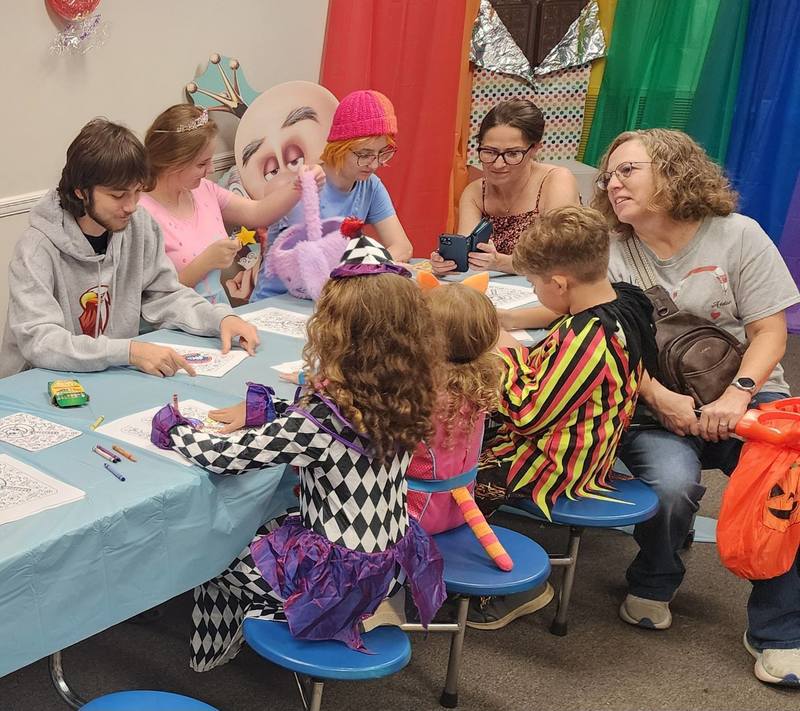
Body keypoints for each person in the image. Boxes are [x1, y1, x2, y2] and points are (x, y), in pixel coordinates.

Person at [150, 235, 446, 669]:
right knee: (270, 522)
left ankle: (219, 649)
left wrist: (174, 429)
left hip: (333, 584)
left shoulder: (319, 423)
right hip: (386, 568)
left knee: (214, 549)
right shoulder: (408, 393)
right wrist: (272, 410)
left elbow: (222, 457)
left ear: (331, 331)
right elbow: (341, 427)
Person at [592, 128, 800, 685]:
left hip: (747, 393)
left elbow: (769, 332)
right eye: (609, 174)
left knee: (785, 490)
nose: (612, 183)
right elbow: (607, 345)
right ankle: (655, 578)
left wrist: (737, 397)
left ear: (673, 171)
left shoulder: (738, 236)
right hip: (650, 401)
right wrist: (661, 399)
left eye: (627, 170)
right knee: (671, 485)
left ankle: (780, 632)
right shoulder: (609, 249)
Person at [470, 206, 657, 628]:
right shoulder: (623, 301)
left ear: (559, 283)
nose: (535, 292)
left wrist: (504, 350)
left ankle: (518, 588)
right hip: (584, 443)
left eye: (535, 284)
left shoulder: (588, 340)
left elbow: (527, 415)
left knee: (450, 479)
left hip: (554, 463)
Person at [0, 118, 258, 379]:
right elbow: (40, 340)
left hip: (108, 375)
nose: (131, 206)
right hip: (37, 382)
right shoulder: (36, 249)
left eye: (137, 192)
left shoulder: (139, 226)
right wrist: (129, 352)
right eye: (117, 195)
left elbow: (165, 294)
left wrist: (220, 319)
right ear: (81, 192)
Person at [141, 104, 325, 304]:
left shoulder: (204, 190)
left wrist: (299, 186)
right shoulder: (141, 214)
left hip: (218, 314)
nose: (211, 170)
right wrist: (205, 262)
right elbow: (151, 298)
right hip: (170, 323)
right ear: (172, 163)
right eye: (201, 164)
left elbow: (258, 212)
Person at [251, 89, 413, 300]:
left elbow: (403, 246)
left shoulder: (370, 186)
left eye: (383, 153)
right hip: (277, 301)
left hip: (328, 304)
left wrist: (365, 267)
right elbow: (309, 262)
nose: (374, 164)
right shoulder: (305, 184)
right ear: (339, 147)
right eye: (364, 155)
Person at [431, 98, 579, 276]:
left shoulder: (556, 181)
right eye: (489, 152)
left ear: (535, 149)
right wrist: (449, 263)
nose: (498, 164)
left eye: (512, 154)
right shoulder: (476, 192)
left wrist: (501, 263)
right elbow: (468, 255)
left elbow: (561, 260)